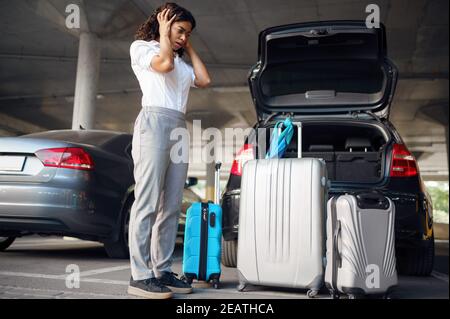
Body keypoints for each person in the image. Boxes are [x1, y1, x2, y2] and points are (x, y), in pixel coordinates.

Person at [128, 2, 211, 299]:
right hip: (153, 122)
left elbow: (204, 80)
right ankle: (139, 276)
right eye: (180, 30)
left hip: (178, 128)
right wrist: (164, 35)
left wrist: (186, 48)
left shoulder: (183, 65)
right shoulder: (143, 49)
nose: (183, 37)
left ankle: (161, 270)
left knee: (172, 205)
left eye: (188, 34)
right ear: (163, 24)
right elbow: (163, 65)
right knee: (147, 202)